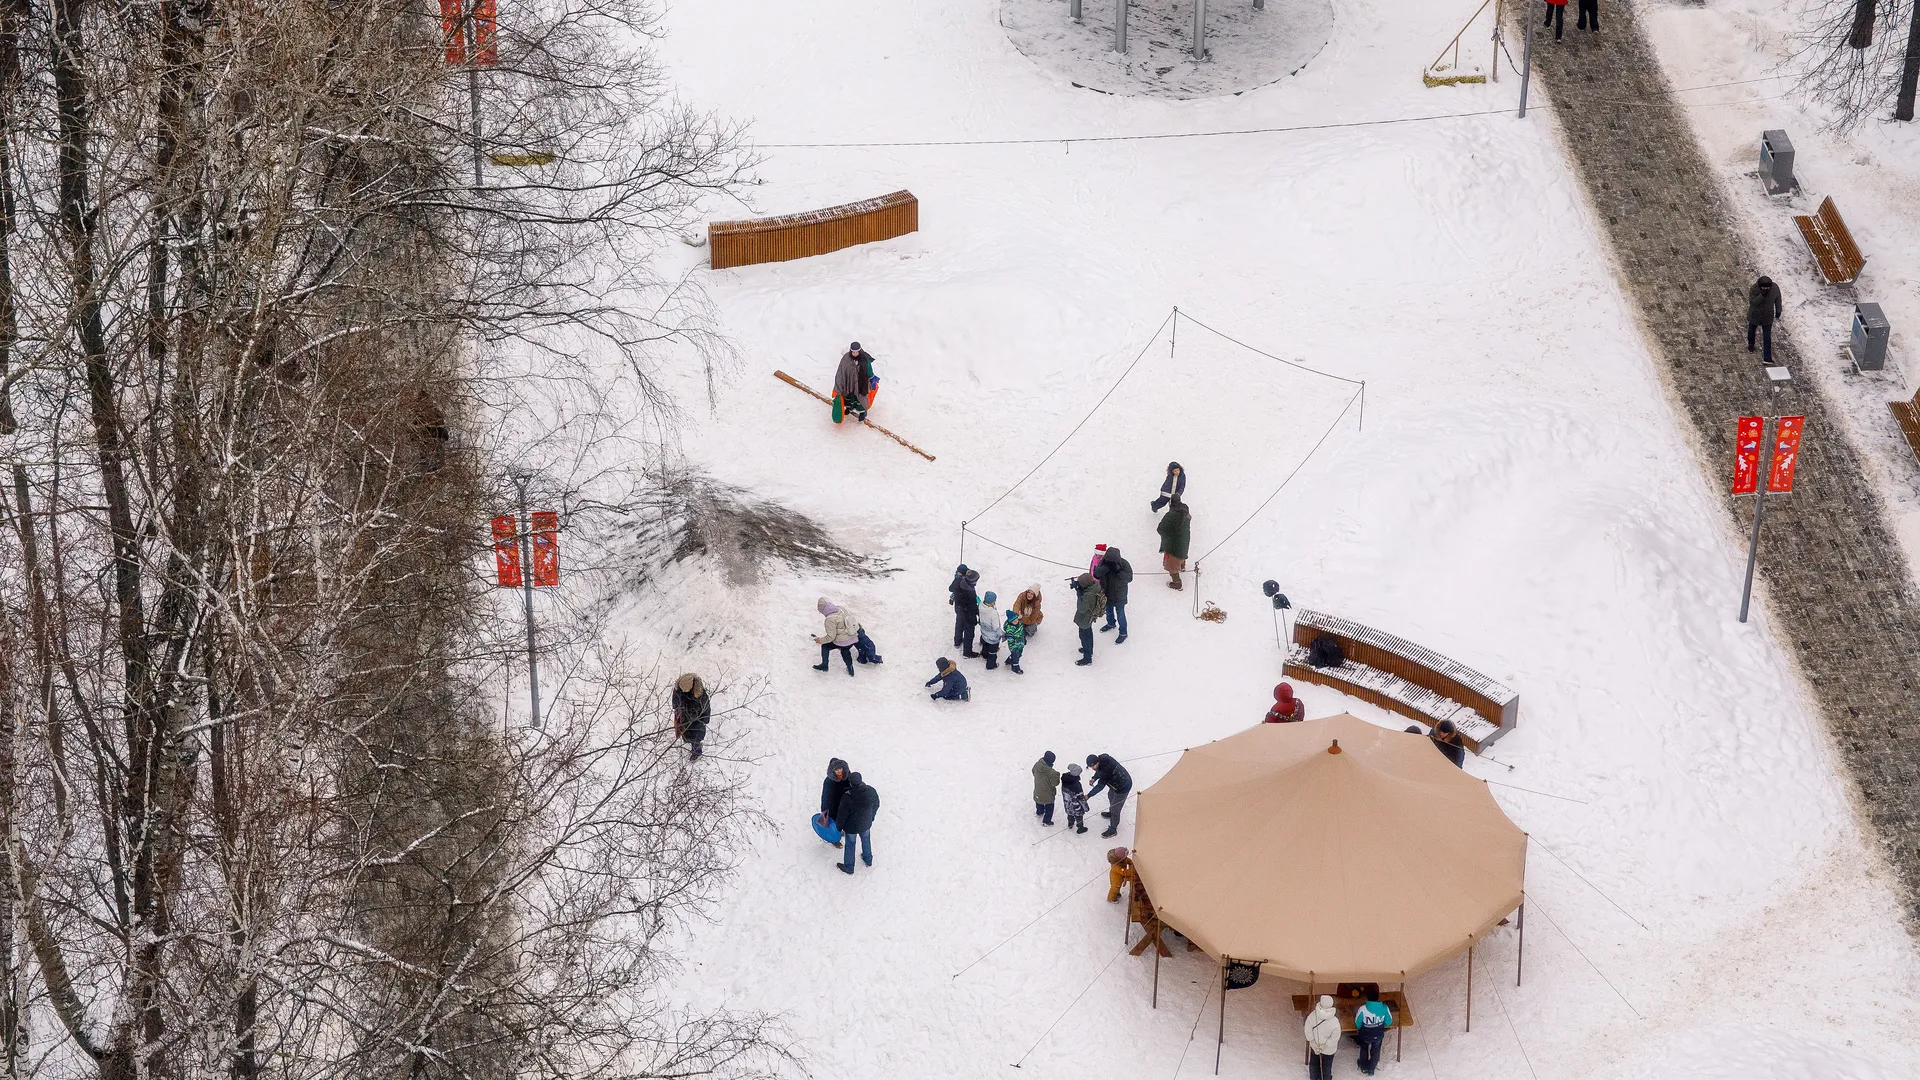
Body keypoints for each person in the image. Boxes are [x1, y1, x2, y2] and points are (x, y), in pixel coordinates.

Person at [834, 771, 879, 874]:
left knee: (850, 844)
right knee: (866, 840)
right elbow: (876, 804)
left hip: (851, 828)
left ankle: (849, 867)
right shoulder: (871, 791)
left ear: (850, 783)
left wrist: (839, 827)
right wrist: (871, 817)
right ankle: (868, 859)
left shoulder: (847, 797)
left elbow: (842, 815)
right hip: (865, 824)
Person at [1085, 753, 1133, 838]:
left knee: (1115, 808)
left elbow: (1100, 786)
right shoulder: (1102, 759)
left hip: (1123, 786)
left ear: (1097, 762)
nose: (1092, 768)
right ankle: (1111, 813)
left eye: (1093, 766)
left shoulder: (1105, 771)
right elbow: (1099, 770)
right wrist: (1094, 778)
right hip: (1114, 783)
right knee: (1110, 795)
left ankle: (1113, 829)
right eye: (1091, 767)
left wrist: (1089, 795)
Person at [1093, 546, 1133, 643]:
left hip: (1120, 594)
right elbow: (1096, 574)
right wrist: (1105, 568)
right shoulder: (1104, 562)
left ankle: (1123, 633)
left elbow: (1129, 578)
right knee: (1109, 610)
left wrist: (1118, 571)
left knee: (1120, 614)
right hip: (1107, 592)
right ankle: (1111, 623)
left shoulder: (1124, 564)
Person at [812, 598, 859, 676]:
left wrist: (820, 640)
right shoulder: (841, 608)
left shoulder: (829, 619)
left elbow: (831, 637)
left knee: (825, 646)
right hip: (853, 636)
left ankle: (824, 665)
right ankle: (850, 668)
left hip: (843, 641)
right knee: (845, 650)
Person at [1354, 988, 1394, 1075]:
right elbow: (1389, 1022)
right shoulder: (1384, 1008)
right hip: (1378, 1034)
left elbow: (1358, 1023)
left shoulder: (1363, 1009)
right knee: (1376, 1050)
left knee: (1364, 1048)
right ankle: (1371, 1069)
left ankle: (1363, 1066)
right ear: (1378, 997)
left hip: (1365, 1034)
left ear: (1367, 997)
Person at [671, 672, 711, 759]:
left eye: (685, 690)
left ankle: (697, 751)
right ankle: (692, 744)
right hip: (684, 717)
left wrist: (705, 720)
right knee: (686, 734)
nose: (683, 691)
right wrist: (676, 707)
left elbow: (706, 708)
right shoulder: (679, 688)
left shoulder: (700, 694)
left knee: (696, 737)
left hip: (697, 720)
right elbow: (675, 699)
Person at [832, 342, 873, 422]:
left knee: (860, 397)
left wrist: (872, 378)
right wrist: (839, 385)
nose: (854, 354)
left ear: (859, 351)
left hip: (861, 383)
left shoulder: (865, 359)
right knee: (849, 396)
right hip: (849, 382)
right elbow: (841, 371)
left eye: (856, 352)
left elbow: (869, 370)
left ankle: (862, 412)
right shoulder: (846, 359)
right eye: (853, 352)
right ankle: (849, 408)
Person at [1071, 572, 1105, 666]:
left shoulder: (1088, 595)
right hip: (1090, 616)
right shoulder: (1095, 586)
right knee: (1089, 633)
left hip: (1085, 618)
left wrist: (1079, 595)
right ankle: (1090, 650)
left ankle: (1087, 658)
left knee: (1084, 636)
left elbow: (1081, 609)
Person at [1157, 497, 1191, 591]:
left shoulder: (1170, 515)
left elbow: (1160, 529)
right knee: (1182, 553)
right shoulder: (1185, 510)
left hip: (1172, 544)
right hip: (1184, 539)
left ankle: (1177, 583)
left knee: (1172, 565)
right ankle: (1182, 566)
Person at [1747, 276, 1783, 363]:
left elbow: (1778, 300)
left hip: (1767, 316)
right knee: (1751, 331)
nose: (1766, 289)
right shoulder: (1754, 288)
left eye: (1768, 287)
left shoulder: (1774, 288)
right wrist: (1761, 296)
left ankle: (1767, 358)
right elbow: (1753, 302)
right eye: (1764, 287)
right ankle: (1751, 344)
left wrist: (1778, 311)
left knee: (1767, 337)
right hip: (1755, 315)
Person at [1304, 995, 1341, 1080]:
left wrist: (1312, 1041)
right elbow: (1335, 1036)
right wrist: (1326, 1045)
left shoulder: (1313, 1015)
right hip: (1329, 1049)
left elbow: (1308, 1029)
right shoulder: (1335, 1021)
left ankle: (1313, 1078)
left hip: (1315, 1046)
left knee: (1314, 1064)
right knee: (1327, 1067)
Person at [949, 565, 981, 658]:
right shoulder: (970, 591)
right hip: (968, 613)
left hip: (959, 608)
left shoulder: (958, 581)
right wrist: (977, 615)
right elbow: (973, 606)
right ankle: (967, 653)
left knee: (959, 625)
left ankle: (957, 642)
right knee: (969, 632)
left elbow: (950, 588)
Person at [820, 758, 851, 847]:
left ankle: (842, 831)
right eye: (836, 769)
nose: (839, 771)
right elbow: (825, 797)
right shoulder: (828, 781)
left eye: (840, 768)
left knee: (844, 820)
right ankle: (834, 839)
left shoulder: (848, 776)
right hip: (834, 806)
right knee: (833, 823)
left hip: (845, 804)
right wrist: (825, 811)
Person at [1032, 751, 1060, 825]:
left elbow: (1033, 772)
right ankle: (1046, 821)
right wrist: (1057, 775)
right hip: (1048, 796)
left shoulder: (1037, 765)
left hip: (1037, 792)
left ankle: (1039, 812)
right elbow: (1055, 783)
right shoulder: (1051, 772)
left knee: (1039, 801)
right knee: (1049, 808)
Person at [978, 591, 1003, 669]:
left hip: (984, 633)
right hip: (993, 637)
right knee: (993, 653)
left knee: (985, 643)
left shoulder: (981, 606)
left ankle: (984, 654)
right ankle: (990, 665)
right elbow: (996, 627)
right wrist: (1002, 634)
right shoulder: (993, 613)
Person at [1061, 763, 1089, 833]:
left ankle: (1070, 823)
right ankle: (1080, 828)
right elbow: (1081, 798)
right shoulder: (1076, 785)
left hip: (1067, 803)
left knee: (1070, 813)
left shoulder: (1065, 780)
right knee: (1079, 817)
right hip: (1076, 806)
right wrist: (1086, 807)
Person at [1002, 607, 1027, 674]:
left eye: (1016, 620)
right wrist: (1013, 646)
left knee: (1019, 653)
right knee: (1016, 655)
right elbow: (1010, 639)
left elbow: (1022, 632)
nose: (1016, 622)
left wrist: (1024, 639)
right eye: (1014, 621)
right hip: (1014, 645)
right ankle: (1015, 667)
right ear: (1010, 622)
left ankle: (1009, 660)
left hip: (1020, 642)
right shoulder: (1010, 629)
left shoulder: (1019, 623)